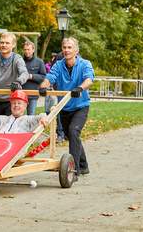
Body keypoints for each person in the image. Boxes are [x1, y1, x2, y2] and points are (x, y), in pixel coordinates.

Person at [40, 37, 94, 179]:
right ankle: (84, 166)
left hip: (80, 106)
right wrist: (43, 86)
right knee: (72, 136)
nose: (66, 50)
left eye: (70, 47)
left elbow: (89, 79)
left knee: (73, 131)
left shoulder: (85, 64)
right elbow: (50, 77)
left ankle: (73, 170)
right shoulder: (58, 65)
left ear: (76, 50)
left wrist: (80, 88)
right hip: (64, 106)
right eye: (64, 47)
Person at [22, 41, 46, 115]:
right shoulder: (20, 61)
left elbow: (43, 77)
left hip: (33, 95)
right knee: (19, 117)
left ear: (33, 50)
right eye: (25, 49)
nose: (26, 51)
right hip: (21, 94)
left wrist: (31, 76)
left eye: (28, 49)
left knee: (31, 116)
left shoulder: (39, 62)